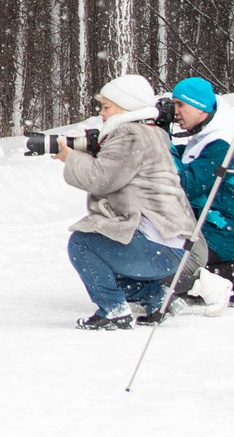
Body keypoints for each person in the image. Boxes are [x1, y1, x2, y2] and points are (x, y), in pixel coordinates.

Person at [60, 74, 199, 329]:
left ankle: (112, 311)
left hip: (158, 245)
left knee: (83, 244)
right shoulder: (152, 132)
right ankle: (157, 301)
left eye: (106, 107)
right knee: (107, 247)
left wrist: (70, 157)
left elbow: (101, 178)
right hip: (175, 247)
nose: (101, 114)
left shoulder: (130, 134)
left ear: (126, 107)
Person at [166, 77, 234, 308]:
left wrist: (161, 144)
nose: (175, 112)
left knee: (160, 262)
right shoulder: (204, 137)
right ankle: (221, 273)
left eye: (181, 105)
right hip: (209, 227)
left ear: (201, 108)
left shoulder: (221, 143)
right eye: (173, 105)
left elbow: (186, 185)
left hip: (224, 233)